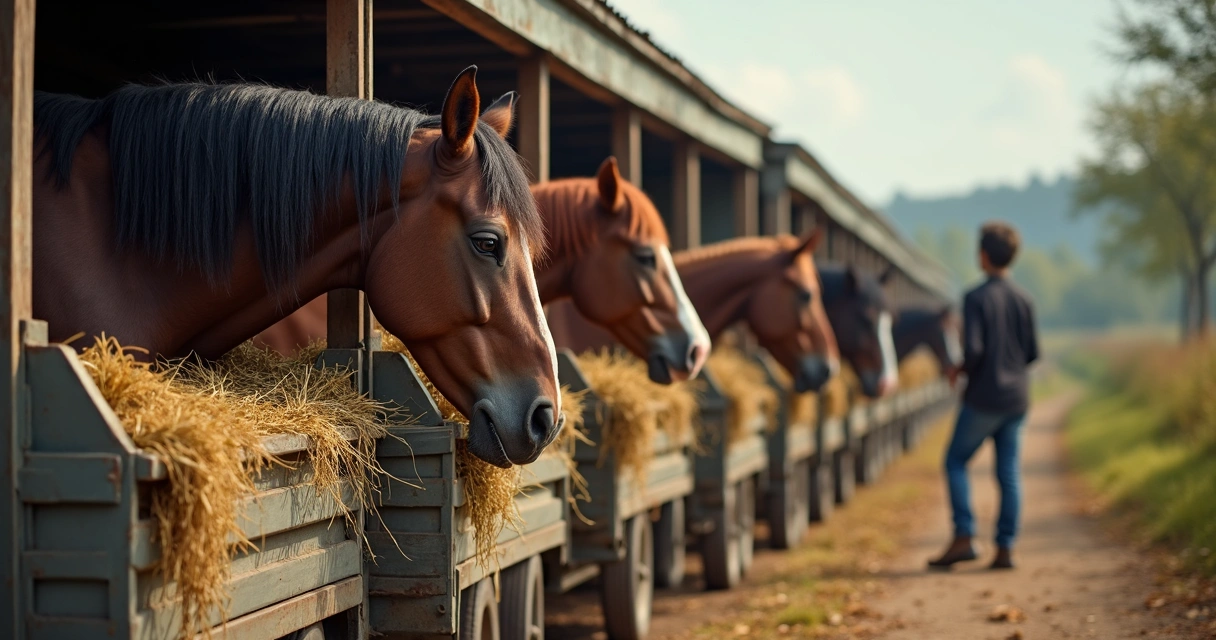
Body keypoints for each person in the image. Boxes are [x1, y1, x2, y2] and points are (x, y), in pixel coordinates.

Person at [929, 221, 1038, 571]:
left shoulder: (975, 298)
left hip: (983, 399)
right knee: (1007, 473)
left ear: (984, 256)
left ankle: (964, 536)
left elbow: (973, 350)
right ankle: (1005, 548)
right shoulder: (1024, 299)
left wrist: (958, 369)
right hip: (1017, 400)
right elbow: (1033, 352)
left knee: (955, 462)